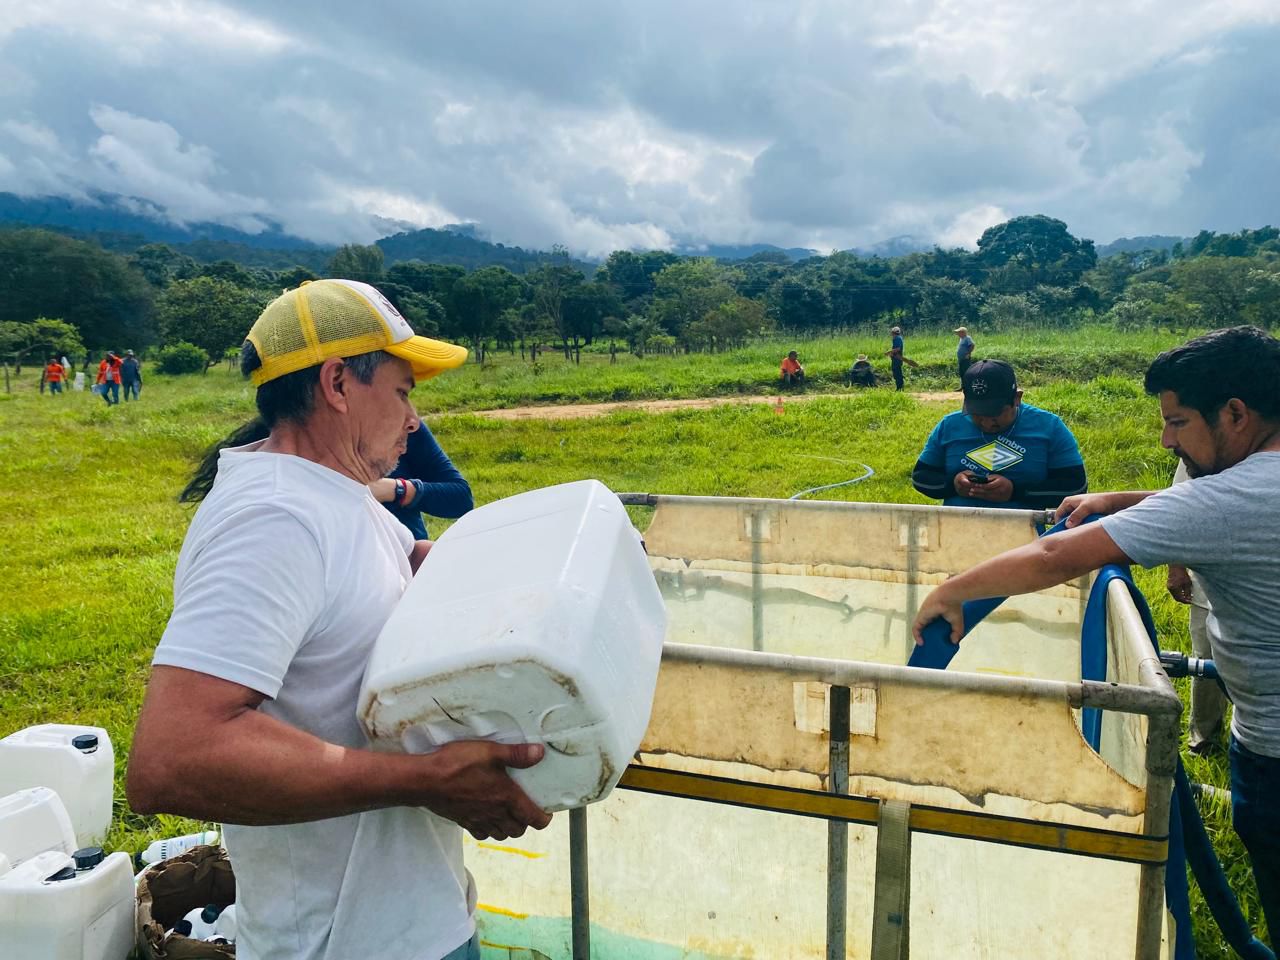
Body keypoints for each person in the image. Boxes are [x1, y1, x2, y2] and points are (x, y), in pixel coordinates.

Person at [126, 279, 551, 960]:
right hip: (347, 940)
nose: (413, 420)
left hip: (417, 918)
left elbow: (389, 579)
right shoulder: (273, 518)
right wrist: (428, 779)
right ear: (337, 383)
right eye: (405, 391)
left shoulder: (336, 494)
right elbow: (174, 758)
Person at [911, 327, 1280, 947]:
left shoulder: (1236, 496)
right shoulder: (1250, 484)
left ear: (1236, 414)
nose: (1167, 439)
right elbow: (1194, 502)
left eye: (1179, 422)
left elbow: (1056, 555)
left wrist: (951, 593)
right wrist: (1116, 498)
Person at [911, 359, 1087, 510]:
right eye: (977, 414)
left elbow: (1076, 487)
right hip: (958, 533)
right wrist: (953, 485)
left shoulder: (1049, 427)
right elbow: (921, 477)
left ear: (1017, 398)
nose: (987, 422)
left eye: (996, 413)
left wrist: (1015, 491)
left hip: (1024, 539)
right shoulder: (949, 426)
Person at [1167, 463, 1228, 756]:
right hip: (1210, 579)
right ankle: (1204, 738)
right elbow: (1180, 502)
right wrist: (1176, 566)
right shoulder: (1206, 431)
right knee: (1206, 658)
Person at [372, 419, 474, 539]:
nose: (412, 415)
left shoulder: (403, 423)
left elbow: (461, 499)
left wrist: (399, 490)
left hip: (409, 554)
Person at [886, 326, 906, 391]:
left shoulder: (897, 339)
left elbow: (898, 349)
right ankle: (900, 387)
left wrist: (889, 352)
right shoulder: (898, 338)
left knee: (897, 374)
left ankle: (899, 388)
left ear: (893, 333)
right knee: (897, 373)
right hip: (897, 359)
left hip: (897, 359)